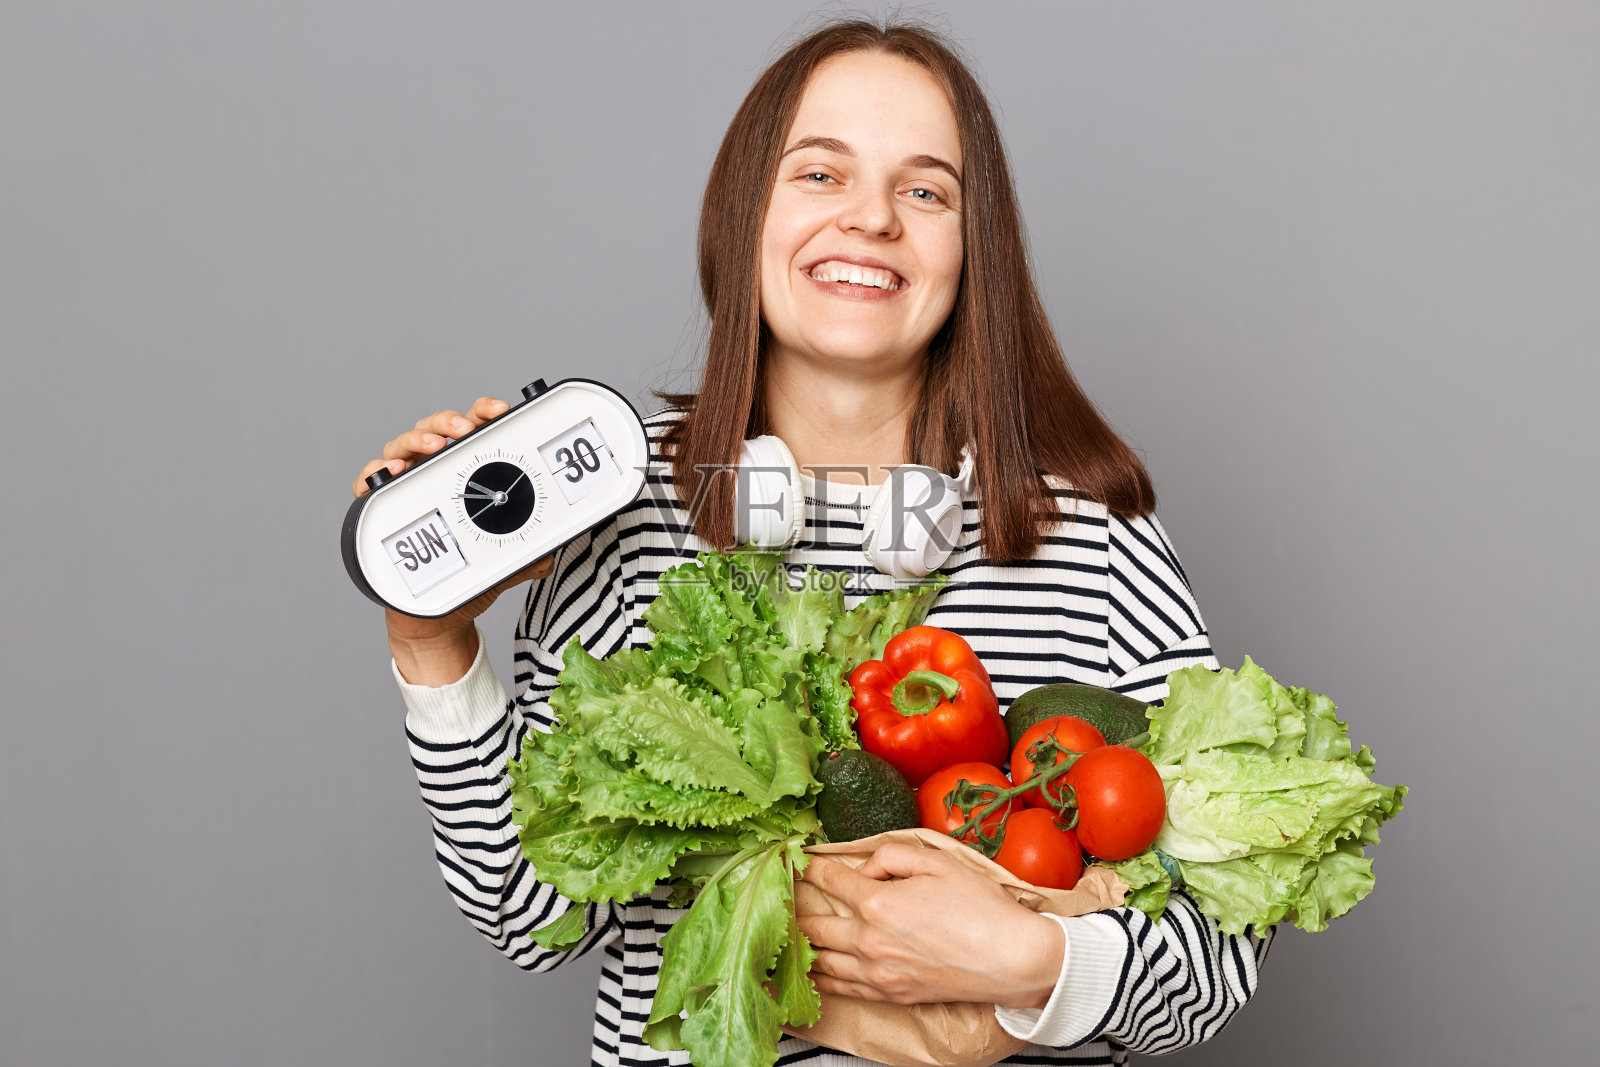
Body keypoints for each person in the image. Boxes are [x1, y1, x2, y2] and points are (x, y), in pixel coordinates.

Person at [351, 18, 1272, 1066]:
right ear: (745, 211)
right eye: (820, 172)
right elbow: (530, 914)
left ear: (975, 251)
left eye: (924, 191)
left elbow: (1220, 955)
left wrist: (1027, 959)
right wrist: (433, 643)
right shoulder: (617, 511)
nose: (871, 217)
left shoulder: (1094, 541)